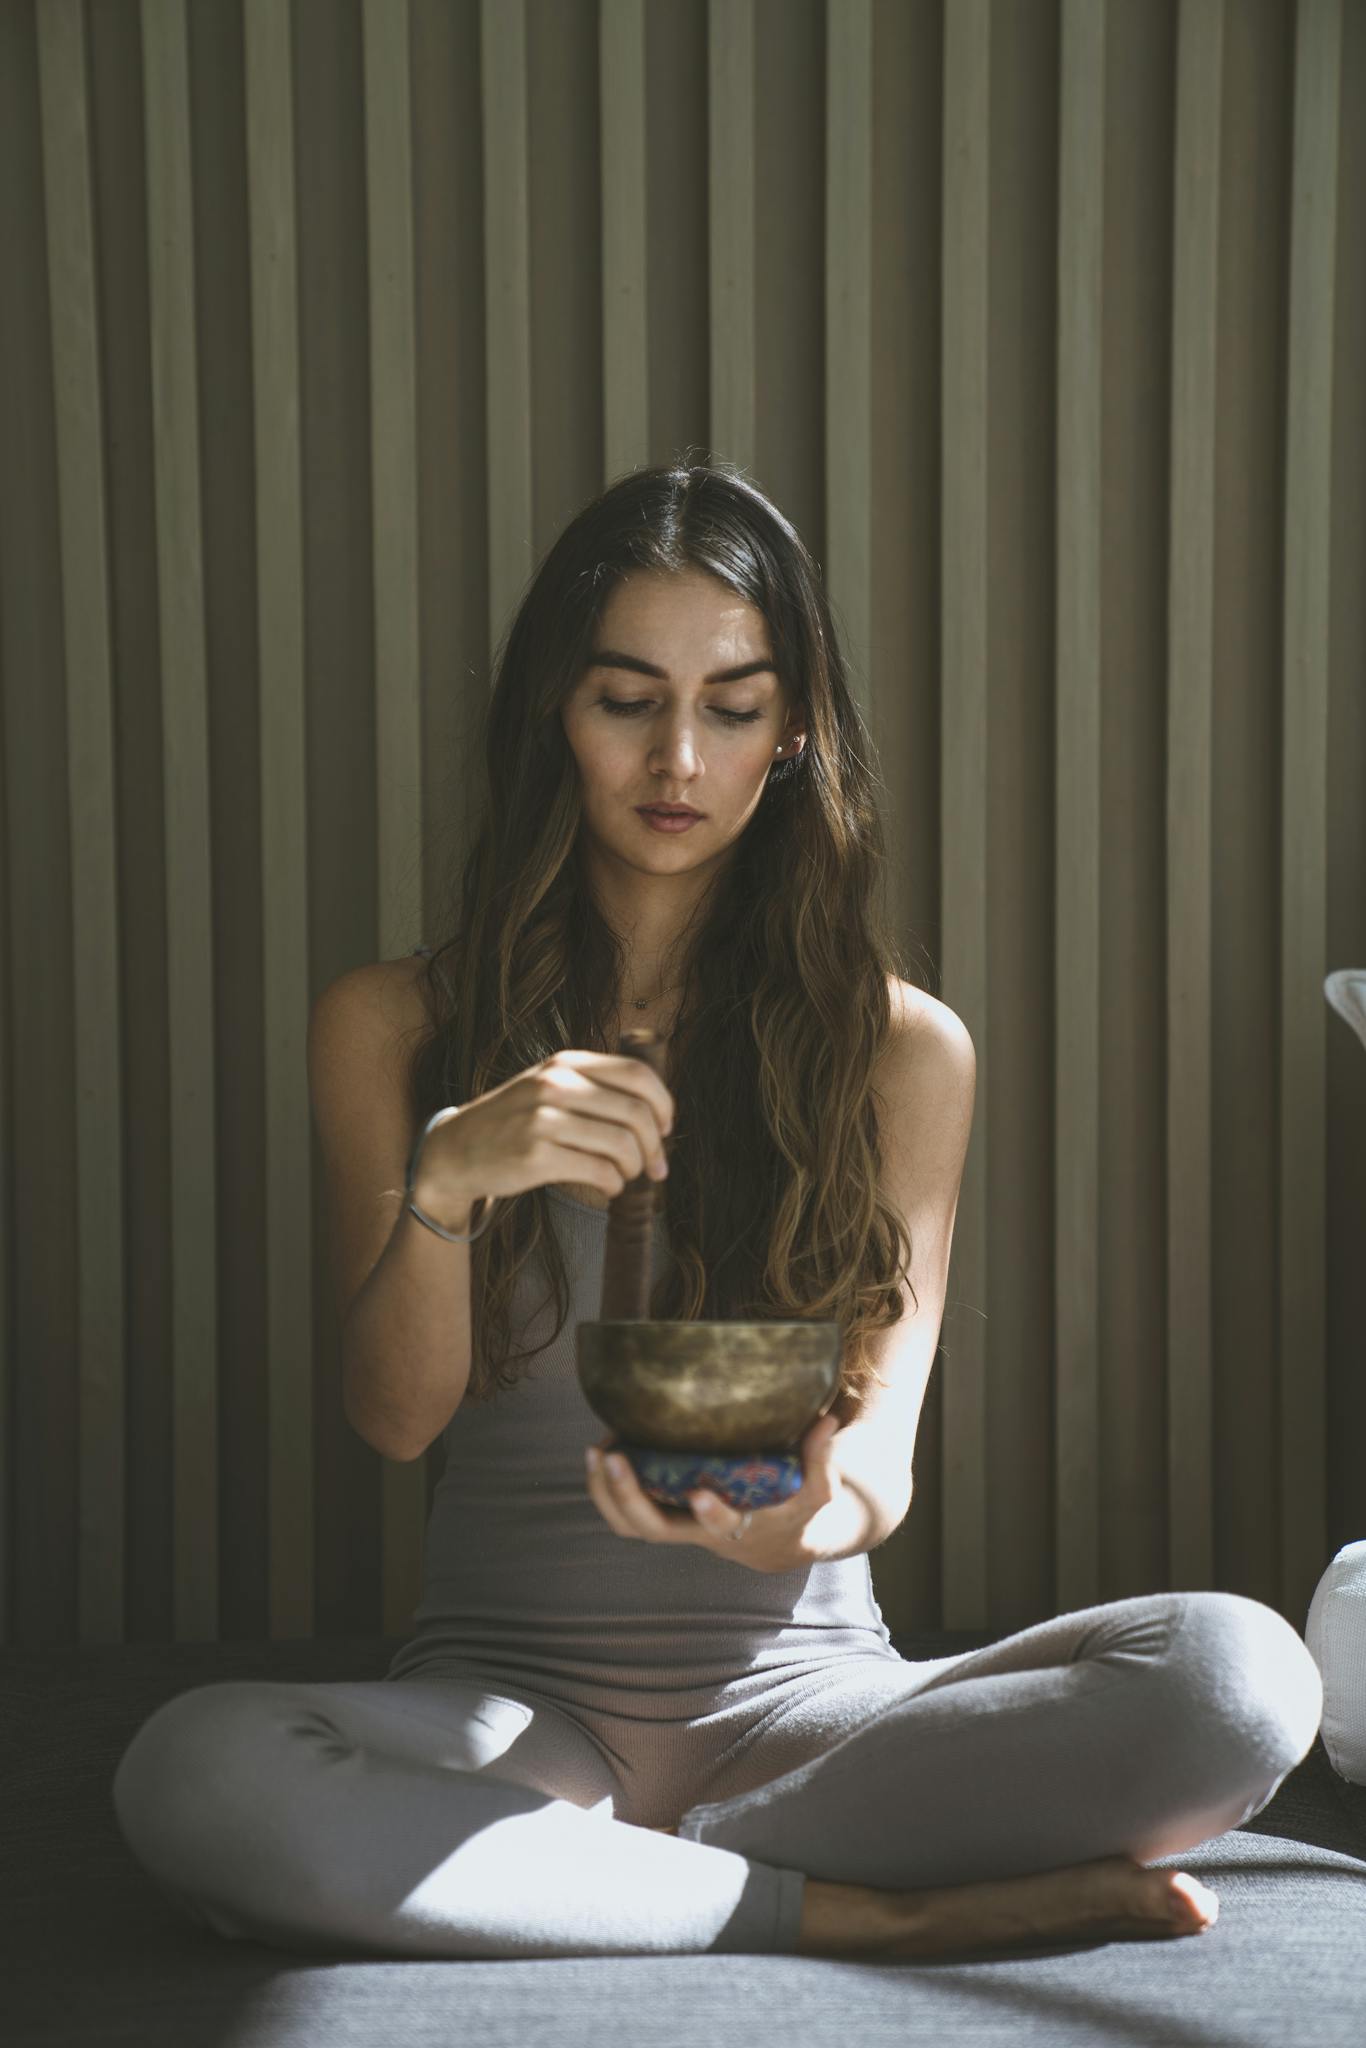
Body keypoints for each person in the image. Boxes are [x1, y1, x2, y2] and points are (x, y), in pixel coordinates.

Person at [111, 456, 1322, 1963]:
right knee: (193, 1766)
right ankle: (855, 1913)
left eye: (732, 706)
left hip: (816, 1723)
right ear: (555, 714)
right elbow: (395, 1419)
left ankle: (603, 1882)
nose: (676, 755)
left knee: (1239, 1675)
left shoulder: (899, 1050)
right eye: (626, 700)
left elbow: (877, 1463)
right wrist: (445, 1185)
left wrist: (784, 1520)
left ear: (792, 731)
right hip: (511, 1718)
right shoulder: (393, 1022)